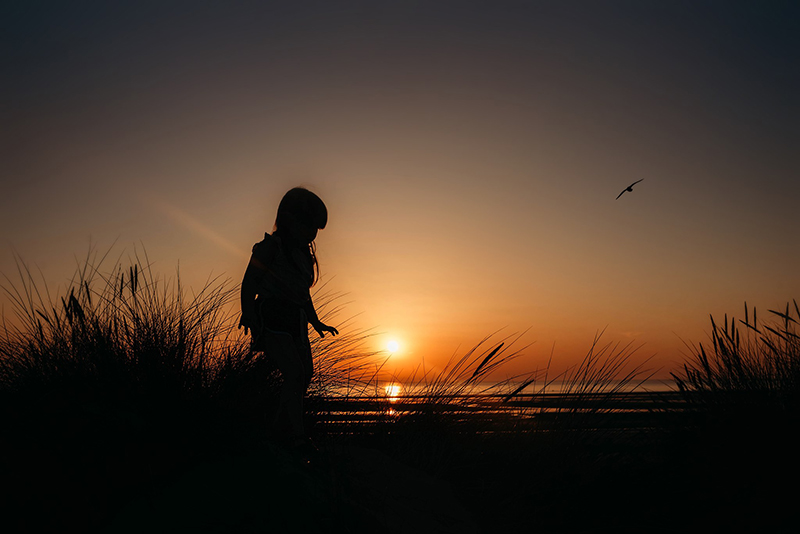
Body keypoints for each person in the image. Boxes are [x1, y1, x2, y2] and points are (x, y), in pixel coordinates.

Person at [239, 187, 338, 449]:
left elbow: (304, 295)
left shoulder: (303, 255)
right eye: (308, 226)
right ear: (289, 220)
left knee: (304, 375)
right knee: (295, 374)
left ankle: (278, 429)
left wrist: (316, 321)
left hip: (297, 321)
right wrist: (248, 314)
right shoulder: (271, 248)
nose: (312, 234)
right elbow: (250, 282)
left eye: (315, 229)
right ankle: (296, 437)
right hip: (273, 318)